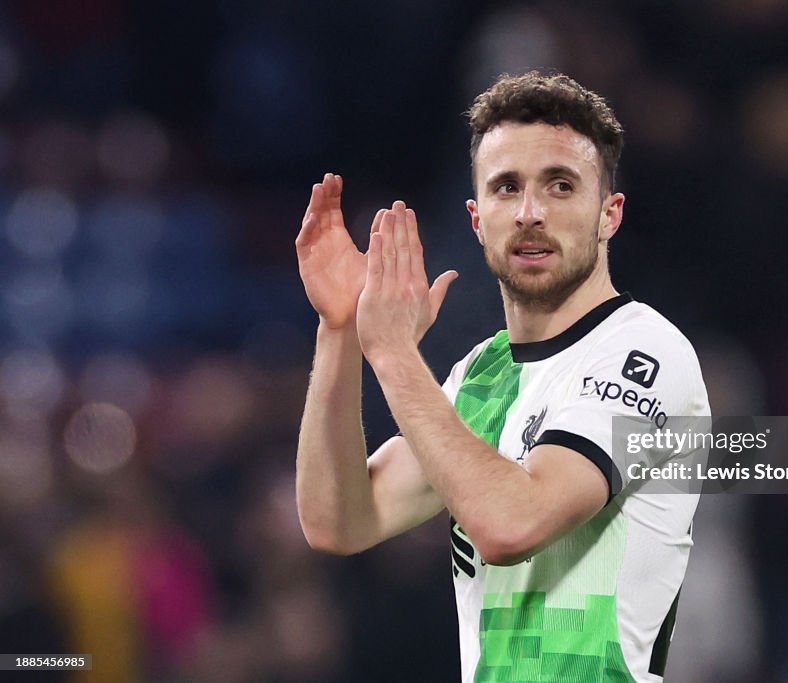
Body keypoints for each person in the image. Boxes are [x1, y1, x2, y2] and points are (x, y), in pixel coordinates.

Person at [295, 71, 710, 683]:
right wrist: (341, 333)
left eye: (561, 186)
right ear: (476, 218)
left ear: (608, 214)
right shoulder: (482, 376)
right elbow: (339, 520)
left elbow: (513, 523)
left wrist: (394, 355)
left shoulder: (644, 351)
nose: (530, 213)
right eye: (506, 188)